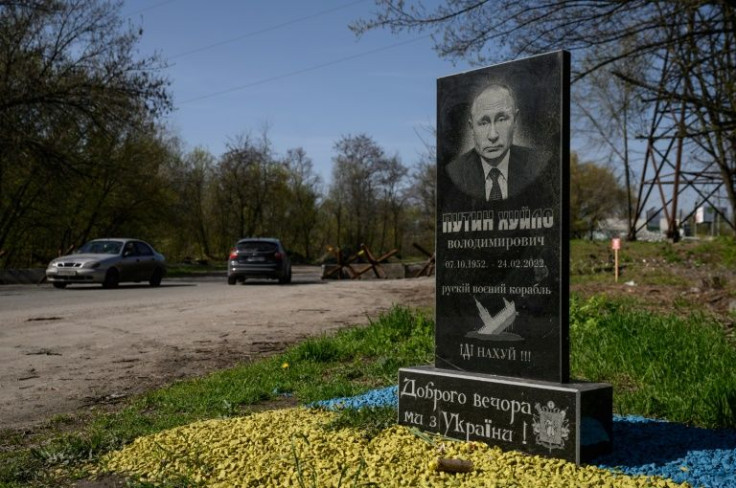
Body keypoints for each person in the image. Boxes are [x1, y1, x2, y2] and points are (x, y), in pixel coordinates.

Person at [445, 82, 541, 203]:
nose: (493, 135)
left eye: (501, 120)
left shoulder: (538, 165)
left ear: (515, 120)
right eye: (483, 123)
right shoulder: (454, 175)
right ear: (472, 127)